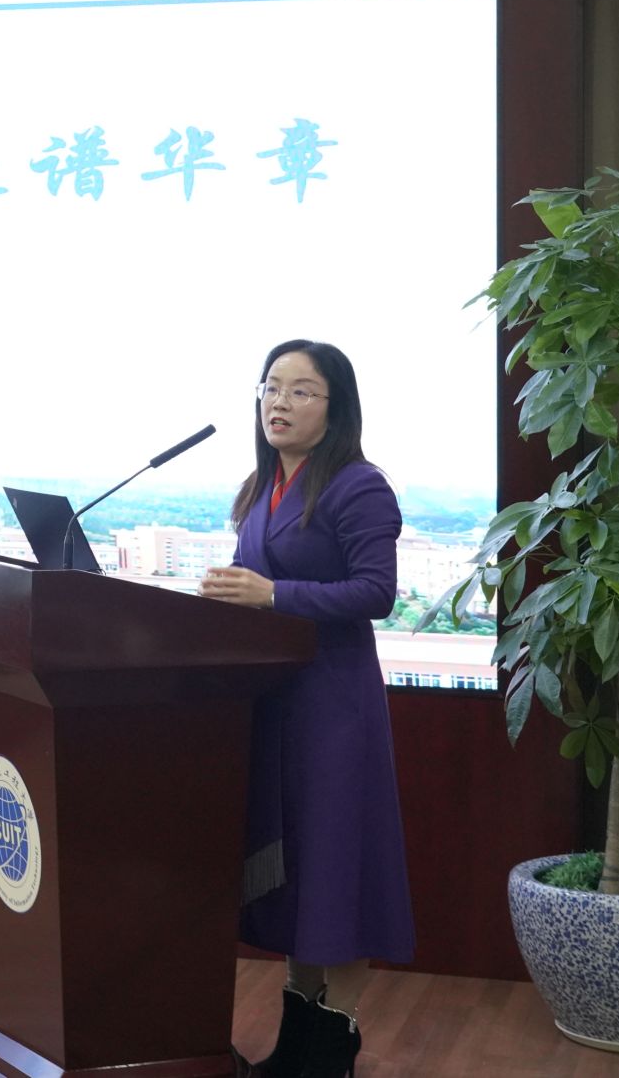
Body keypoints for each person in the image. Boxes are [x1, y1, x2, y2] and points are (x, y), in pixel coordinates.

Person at [198, 339, 414, 1078]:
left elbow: (375, 592)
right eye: (270, 387)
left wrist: (272, 594)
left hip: (333, 710)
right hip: (275, 704)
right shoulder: (262, 487)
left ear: (336, 407)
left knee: (335, 864)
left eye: (300, 390)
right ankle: (297, 1044)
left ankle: (332, 1045)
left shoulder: (359, 485)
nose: (279, 403)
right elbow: (254, 585)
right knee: (294, 869)